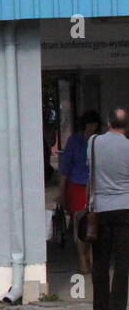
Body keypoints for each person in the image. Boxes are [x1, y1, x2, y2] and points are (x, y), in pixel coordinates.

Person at [85, 108, 129, 310]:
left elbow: (90, 172)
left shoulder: (93, 142)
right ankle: (117, 308)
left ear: (108, 122)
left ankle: (100, 309)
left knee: (100, 261)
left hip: (100, 209)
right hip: (125, 209)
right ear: (126, 126)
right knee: (122, 261)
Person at [57, 109, 100, 274]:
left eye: (95, 125)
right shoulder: (74, 141)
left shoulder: (99, 141)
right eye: (89, 124)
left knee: (95, 222)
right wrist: (62, 192)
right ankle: (82, 259)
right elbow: (65, 168)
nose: (92, 128)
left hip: (96, 186)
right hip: (77, 185)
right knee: (80, 223)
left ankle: (90, 254)